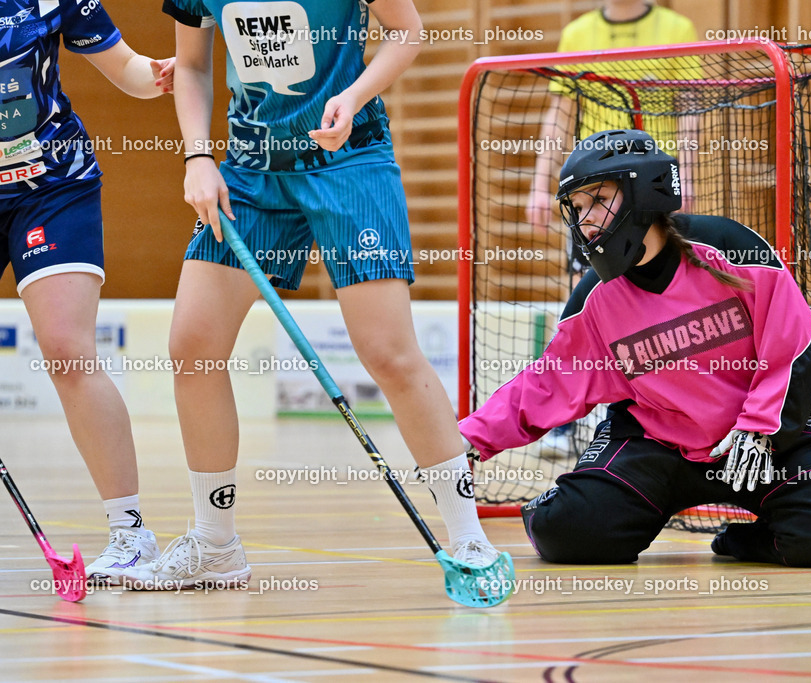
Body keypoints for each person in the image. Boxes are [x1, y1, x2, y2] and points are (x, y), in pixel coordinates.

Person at [126, 0, 504, 588]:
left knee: (389, 353)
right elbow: (194, 66)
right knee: (193, 347)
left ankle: (469, 540)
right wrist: (198, 155)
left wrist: (352, 97)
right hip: (250, 171)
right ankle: (216, 543)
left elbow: (408, 32)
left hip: (348, 161)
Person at [460, 129, 811, 567]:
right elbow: (548, 383)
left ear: (643, 188)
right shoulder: (595, 298)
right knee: (570, 532)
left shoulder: (732, 249)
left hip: (764, 439)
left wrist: (761, 429)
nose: (585, 220)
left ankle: (744, 543)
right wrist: (469, 441)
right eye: (578, 208)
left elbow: (794, 348)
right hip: (656, 444)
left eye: (598, 200)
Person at [0, 1, 173, 583]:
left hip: (51, 185)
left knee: (68, 351)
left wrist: (162, 74)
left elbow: (125, 67)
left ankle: (130, 535)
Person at [527, 1, 700, 453]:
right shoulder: (578, 34)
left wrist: (692, 177)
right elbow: (560, 114)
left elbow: (691, 117)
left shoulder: (677, 29)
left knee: (662, 303)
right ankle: (562, 421)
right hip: (593, 200)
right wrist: (540, 185)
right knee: (582, 300)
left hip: (652, 197)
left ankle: (667, 410)